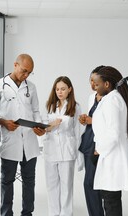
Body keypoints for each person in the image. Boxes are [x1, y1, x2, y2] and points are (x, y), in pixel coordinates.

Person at [0, 54, 46, 216]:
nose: (26, 75)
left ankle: (27, 213)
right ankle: (6, 213)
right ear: (15, 65)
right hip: (10, 141)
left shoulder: (31, 87)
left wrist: (38, 125)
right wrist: (3, 122)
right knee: (7, 181)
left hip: (29, 141)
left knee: (29, 182)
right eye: (24, 71)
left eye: (29, 73)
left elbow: (36, 111)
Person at [91, 66, 128, 216]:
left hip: (112, 156)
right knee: (111, 200)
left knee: (110, 202)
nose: (95, 88)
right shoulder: (113, 98)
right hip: (112, 155)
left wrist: (98, 150)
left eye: (97, 85)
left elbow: (113, 133)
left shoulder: (111, 100)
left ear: (107, 84)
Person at [43, 76, 82, 216]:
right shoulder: (49, 105)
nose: (60, 92)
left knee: (66, 186)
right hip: (50, 150)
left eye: (63, 89)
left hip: (67, 151)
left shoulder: (75, 107)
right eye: (57, 89)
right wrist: (51, 125)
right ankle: (53, 213)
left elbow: (78, 131)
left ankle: (66, 213)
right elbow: (43, 127)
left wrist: (79, 156)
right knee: (51, 186)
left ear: (70, 89)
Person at [78, 66, 105, 216]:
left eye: (96, 82)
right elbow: (92, 119)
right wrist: (85, 119)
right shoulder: (92, 97)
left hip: (101, 145)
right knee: (89, 183)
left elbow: (108, 123)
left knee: (96, 184)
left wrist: (91, 120)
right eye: (91, 81)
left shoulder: (109, 99)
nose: (92, 85)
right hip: (89, 142)